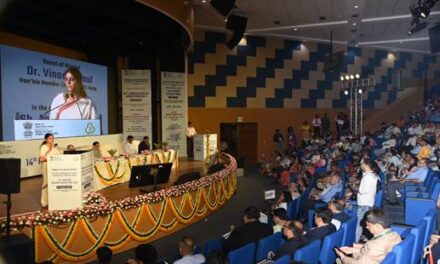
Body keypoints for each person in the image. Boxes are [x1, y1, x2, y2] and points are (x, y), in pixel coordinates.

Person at [335, 208, 401, 264]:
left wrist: (342, 257)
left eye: (368, 225)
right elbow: (376, 254)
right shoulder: (395, 234)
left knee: (338, 260)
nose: (366, 227)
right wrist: (353, 250)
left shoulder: (375, 245)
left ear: (378, 226)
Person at [355, 159, 379, 242]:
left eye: (361, 164)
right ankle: (361, 238)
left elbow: (363, 191)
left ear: (365, 165)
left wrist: (355, 188)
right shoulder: (371, 175)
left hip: (364, 203)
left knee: (359, 224)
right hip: (367, 202)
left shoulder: (368, 177)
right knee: (364, 223)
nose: (360, 166)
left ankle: (356, 241)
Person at [39, 133, 61, 208]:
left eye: (52, 138)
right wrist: (51, 158)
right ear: (46, 139)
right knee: (46, 182)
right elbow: (42, 158)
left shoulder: (55, 148)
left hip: (55, 168)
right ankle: (44, 201)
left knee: (54, 184)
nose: (52, 139)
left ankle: (53, 200)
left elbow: (60, 157)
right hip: (46, 167)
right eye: (50, 138)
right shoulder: (43, 147)